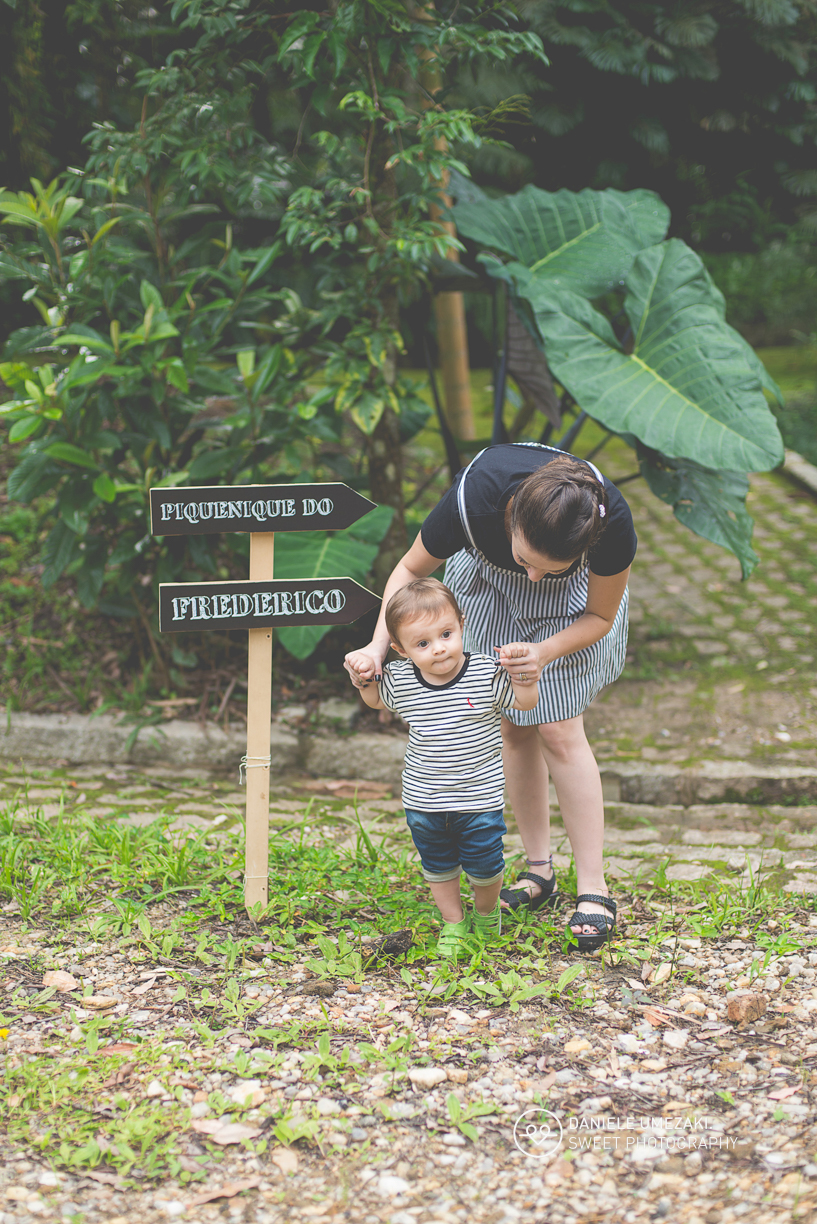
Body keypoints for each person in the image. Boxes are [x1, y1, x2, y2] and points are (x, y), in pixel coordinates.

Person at [345, 443, 637, 952]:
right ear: (511, 519)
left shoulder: (610, 525)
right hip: (488, 593)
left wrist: (542, 653)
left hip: (571, 616)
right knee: (512, 727)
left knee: (560, 730)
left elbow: (600, 616)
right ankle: (539, 871)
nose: (534, 577)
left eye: (551, 567)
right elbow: (410, 570)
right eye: (525, 559)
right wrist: (376, 647)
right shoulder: (474, 498)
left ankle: (593, 887)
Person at [346, 577, 539, 959]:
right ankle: (453, 921)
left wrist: (525, 677)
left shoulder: (485, 673)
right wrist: (363, 675)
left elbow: (525, 703)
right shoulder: (402, 680)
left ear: (461, 624)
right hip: (424, 800)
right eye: (422, 644)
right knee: (438, 866)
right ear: (400, 649)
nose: (438, 648)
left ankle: (486, 913)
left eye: (446, 634)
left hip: (479, 799)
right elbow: (375, 699)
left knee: (486, 866)